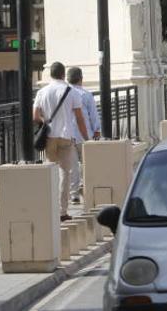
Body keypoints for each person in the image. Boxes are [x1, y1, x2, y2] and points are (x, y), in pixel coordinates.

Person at [33, 62, 89, 221]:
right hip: (65, 137)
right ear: (64, 74)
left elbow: (35, 116)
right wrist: (86, 138)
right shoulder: (71, 92)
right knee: (65, 173)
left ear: (51, 74)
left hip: (49, 137)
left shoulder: (42, 92)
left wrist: (46, 121)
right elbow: (79, 118)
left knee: (50, 170)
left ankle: (48, 208)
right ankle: (62, 212)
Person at [67, 66, 100, 205]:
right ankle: (88, 189)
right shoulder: (86, 95)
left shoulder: (65, 94)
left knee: (72, 166)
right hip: (84, 134)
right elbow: (93, 115)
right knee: (88, 163)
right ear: (81, 78)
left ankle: (73, 194)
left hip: (67, 135)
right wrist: (97, 130)